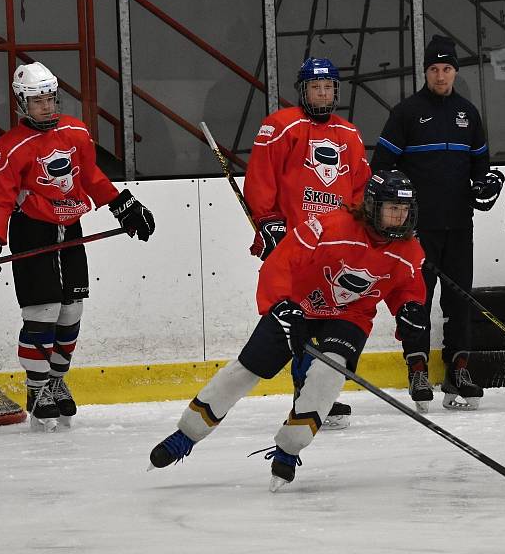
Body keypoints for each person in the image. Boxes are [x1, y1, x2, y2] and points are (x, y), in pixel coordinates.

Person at [149, 170, 428, 491]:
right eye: (392, 208)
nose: (400, 217)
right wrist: (280, 303)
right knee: (246, 370)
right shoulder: (331, 227)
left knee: (329, 373)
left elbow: (407, 288)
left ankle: (290, 446)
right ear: (371, 206)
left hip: (350, 316)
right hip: (297, 304)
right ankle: (188, 433)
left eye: (404, 210)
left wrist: (409, 308)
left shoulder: (409, 249)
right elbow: (281, 261)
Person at [0, 62, 155, 431]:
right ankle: (36, 389)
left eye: (51, 99)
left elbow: (91, 176)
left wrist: (123, 205)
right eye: (39, 101)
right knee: (44, 310)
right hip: (31, 231)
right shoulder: (8, 149)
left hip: (70, 229)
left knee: (71, 311)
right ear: (22, 103)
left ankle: (56, 379)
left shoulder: (76, 131)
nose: (47, 107)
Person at [370, 34, 503, 412]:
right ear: (425, 72)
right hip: (416, 231)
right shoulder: (407, 113)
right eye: (434, 69)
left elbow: (481, 166)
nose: (441, 75)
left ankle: (458, 369)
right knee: (417, 300)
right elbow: (381, 167)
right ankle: (417, 369)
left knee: (460, 301)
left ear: (455, 72)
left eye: (446, 69)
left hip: (460, 224)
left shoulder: (468, 114)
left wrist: (485, 183)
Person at [243, 57, 371, 429]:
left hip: (336, 247)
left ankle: (317, 395)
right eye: (316, 87)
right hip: (296, 244)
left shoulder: (349, 134)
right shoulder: (281, 126)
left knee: (331, 317)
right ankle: (306, 396)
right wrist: (268, 223)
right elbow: (261, 177)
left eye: (329, 87)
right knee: (300, 318)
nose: (323, 93)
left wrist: (361, 231)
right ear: (303, 91)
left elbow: (361, 189)